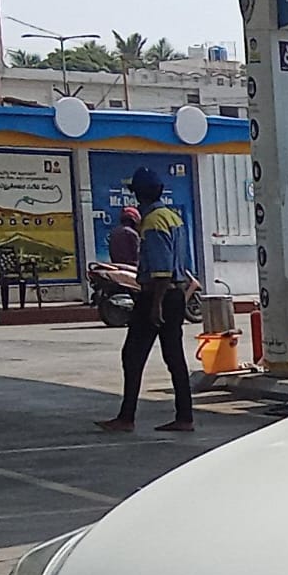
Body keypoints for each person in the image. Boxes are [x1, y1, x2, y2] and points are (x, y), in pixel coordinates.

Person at [95, 168, 194, 433]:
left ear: (138, 194)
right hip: (174, 295)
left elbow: (161, 269)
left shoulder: (152, 221)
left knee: (133, 355)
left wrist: (156, 304)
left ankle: (127, 418)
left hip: (157, 295)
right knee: (174, 357)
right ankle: (185, 417)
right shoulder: (173, 217)